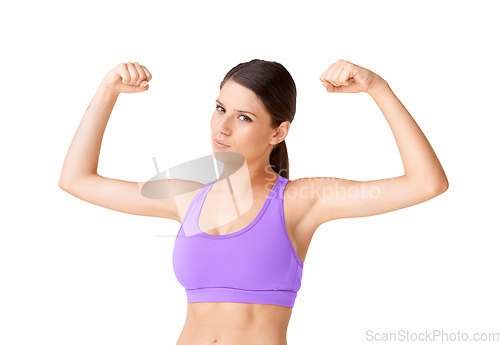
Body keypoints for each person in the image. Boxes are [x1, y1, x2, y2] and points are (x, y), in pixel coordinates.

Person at [58, 59, 449, 345]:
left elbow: (425, 183)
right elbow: (76, 180)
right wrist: (107, 91)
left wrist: (377, 88)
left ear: (278, 132)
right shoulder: (186, 196)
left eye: (244, 117)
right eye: (219, 108)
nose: (222, 127)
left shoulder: (301, 200)